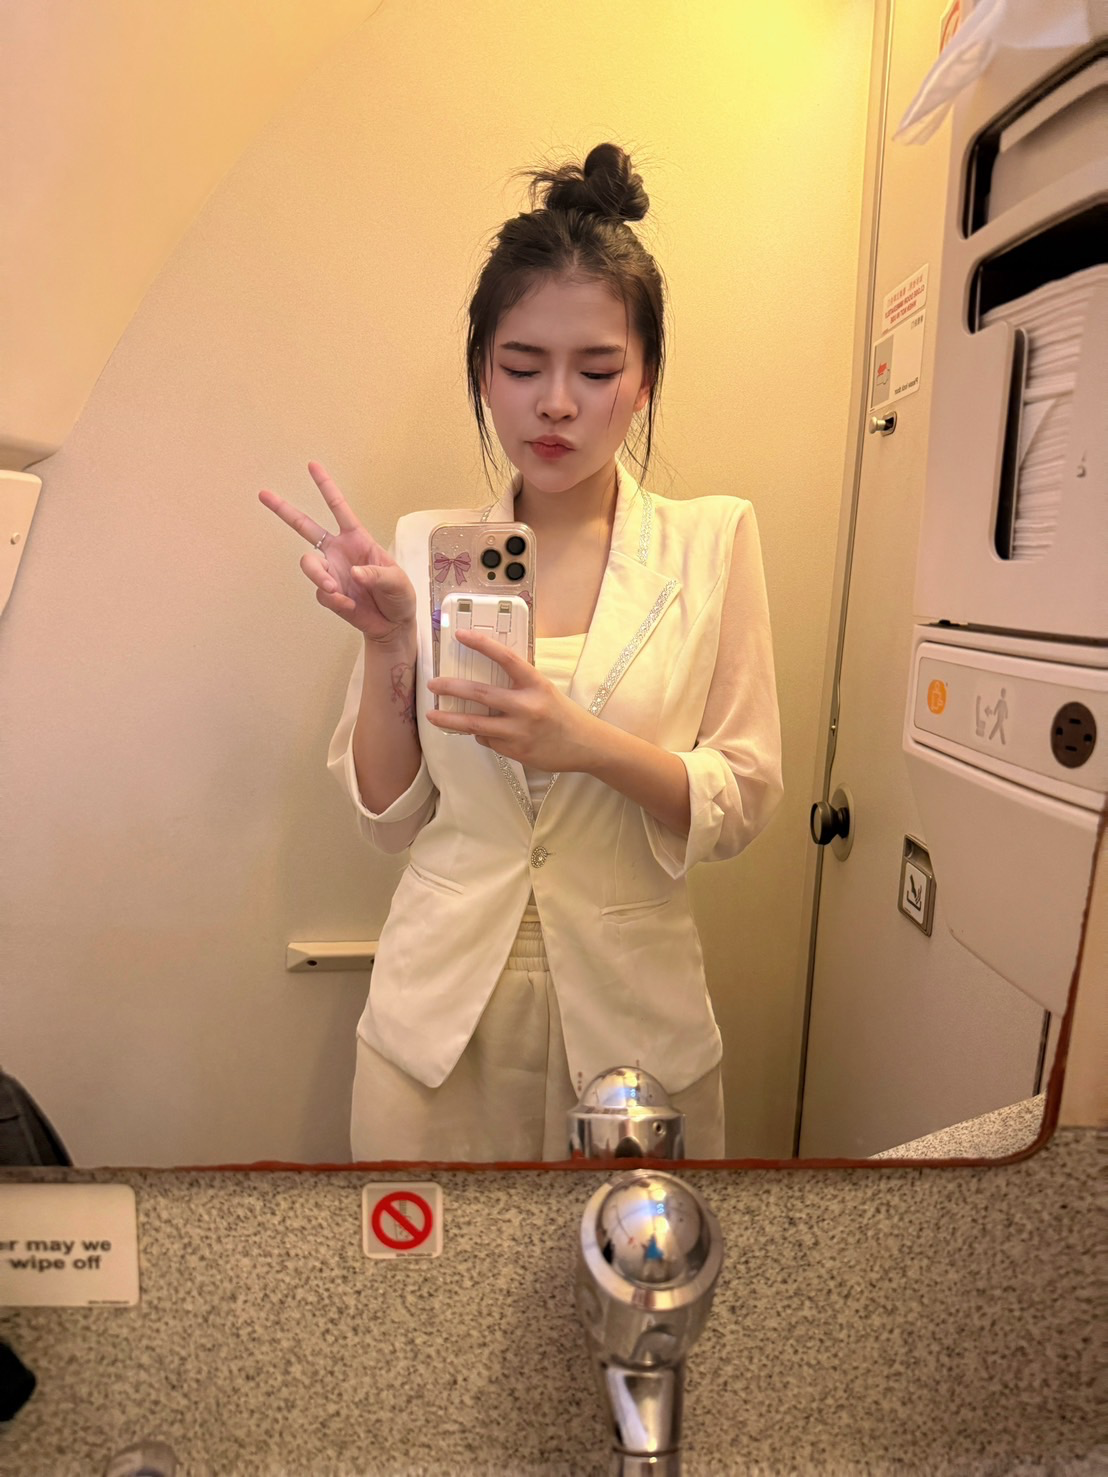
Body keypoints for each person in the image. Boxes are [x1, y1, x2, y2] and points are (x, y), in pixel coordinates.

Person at [259, 143, 783, 1162]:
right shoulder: (428, 548)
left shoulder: (710, 541)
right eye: (522, 366)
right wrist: (386, 642)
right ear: (482, 374)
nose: (555, 403)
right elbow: (387, 817)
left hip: (635, 1027)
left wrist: (583, 742)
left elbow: (746, 795)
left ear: (644, 380)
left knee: (627, 1257)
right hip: (435, 1027)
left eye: (597, 370)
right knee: (424, 1262)